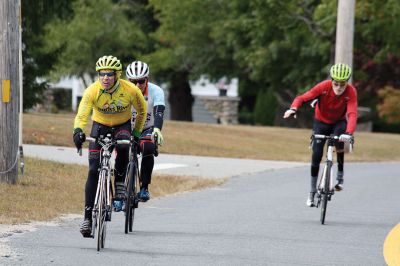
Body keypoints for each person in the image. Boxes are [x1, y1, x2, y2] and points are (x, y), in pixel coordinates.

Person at [73, 55, 147, 237]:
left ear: (117, 75)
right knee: (93, 170)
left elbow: (142, 110)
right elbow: (82, 114)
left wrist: (136, 135)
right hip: (100, 126)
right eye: (102, 74)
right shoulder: (92, 90)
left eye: (109, 74)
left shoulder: (130, 89)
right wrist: (78, 131)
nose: (105, 78)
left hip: (122, 126)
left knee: (123, 147)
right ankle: (87, 218)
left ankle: (120, 183)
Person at [283, 63, 357, 207]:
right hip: (321, 121)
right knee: (316, 155)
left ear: (347, 83)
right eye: (336, 84)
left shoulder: (351, 92)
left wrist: (349, 133)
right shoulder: (323, 87)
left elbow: (352, 113)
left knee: (340, 141)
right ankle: (312, 192)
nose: (339, 88)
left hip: (338, 122)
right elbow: (302, 97)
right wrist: (293, 109)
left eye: (342, 84)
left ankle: (340, 175)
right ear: (331, 81)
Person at [126, 60, 166, 202]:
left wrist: (157, 130)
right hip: (127, 127)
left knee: (148, 146)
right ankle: (120, 190)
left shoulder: (157, 91)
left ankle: (144, 187)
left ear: (147, 79)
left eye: (141, 81)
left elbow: (159, 113)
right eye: (133, 82)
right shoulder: (123, 91)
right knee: (122, 150)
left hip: (148, 127)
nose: (137, 85)